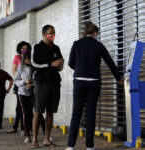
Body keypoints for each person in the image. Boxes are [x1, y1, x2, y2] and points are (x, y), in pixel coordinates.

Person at [66, 22, 124, 150]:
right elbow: (110, 62)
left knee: (76, 114)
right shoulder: (98, 45)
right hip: (94, 82)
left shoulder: (77, 44)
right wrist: (118, 78)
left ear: (85, 32)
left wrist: (80, 69)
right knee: (91, 114)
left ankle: (70, 146)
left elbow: (70, 63)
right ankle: (90, 147)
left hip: (79, 81)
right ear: (95, 33)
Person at [31, 25, 64, 148]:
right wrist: (51, 64)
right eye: (50, 33)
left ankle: (46, 139)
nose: (53, 35)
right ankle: (34, 140)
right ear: (44, 34)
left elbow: (59, 67)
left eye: (54, 32)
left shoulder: (56, 48)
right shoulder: (37, 47)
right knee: (38, 111)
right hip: (41, 83)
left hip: (55, 83)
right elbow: (34, 64)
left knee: (50, 112)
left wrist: (60, 65)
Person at [7, 41, 31, 135]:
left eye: (26, 48)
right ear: (19, 49)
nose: (24, 50)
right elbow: (13, 70)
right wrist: (22, 77)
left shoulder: (31, 57)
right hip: (21, 84)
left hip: (30, 85)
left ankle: (25, 128)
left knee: (28, 109)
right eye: (22, 48)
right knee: (19, 108)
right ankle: (18, 127)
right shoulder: (17, 57)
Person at [15, 52, 33, 144]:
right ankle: (27, 134)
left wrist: (32, 83)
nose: (28, 61)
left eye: (30, 59)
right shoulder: (20, 67)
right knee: (25, 114)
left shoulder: (34, 67)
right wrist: (24, 82)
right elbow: (16, 81)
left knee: (32, 114)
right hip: (22, 93)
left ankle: (31, 130)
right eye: (27, 59)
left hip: (33, 93)